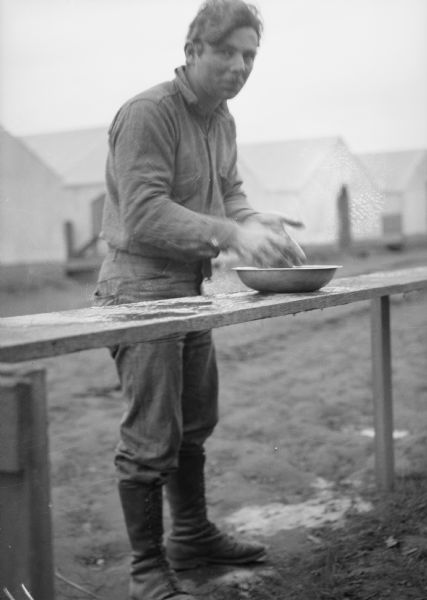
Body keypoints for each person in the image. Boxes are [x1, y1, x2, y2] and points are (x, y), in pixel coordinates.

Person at [94, 1, 306, 599]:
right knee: (151, 437)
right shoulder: (147, 113)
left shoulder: (222, 119)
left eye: (250, 56)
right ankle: (145, 571)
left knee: (193, 424)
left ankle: (190, 537)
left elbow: (229, 193)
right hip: (137, 290)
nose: (241, 66)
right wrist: (233, 234)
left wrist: (253, 218)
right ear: (193, 51)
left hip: (189, 287)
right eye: (229, 52)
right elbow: (143, 212)